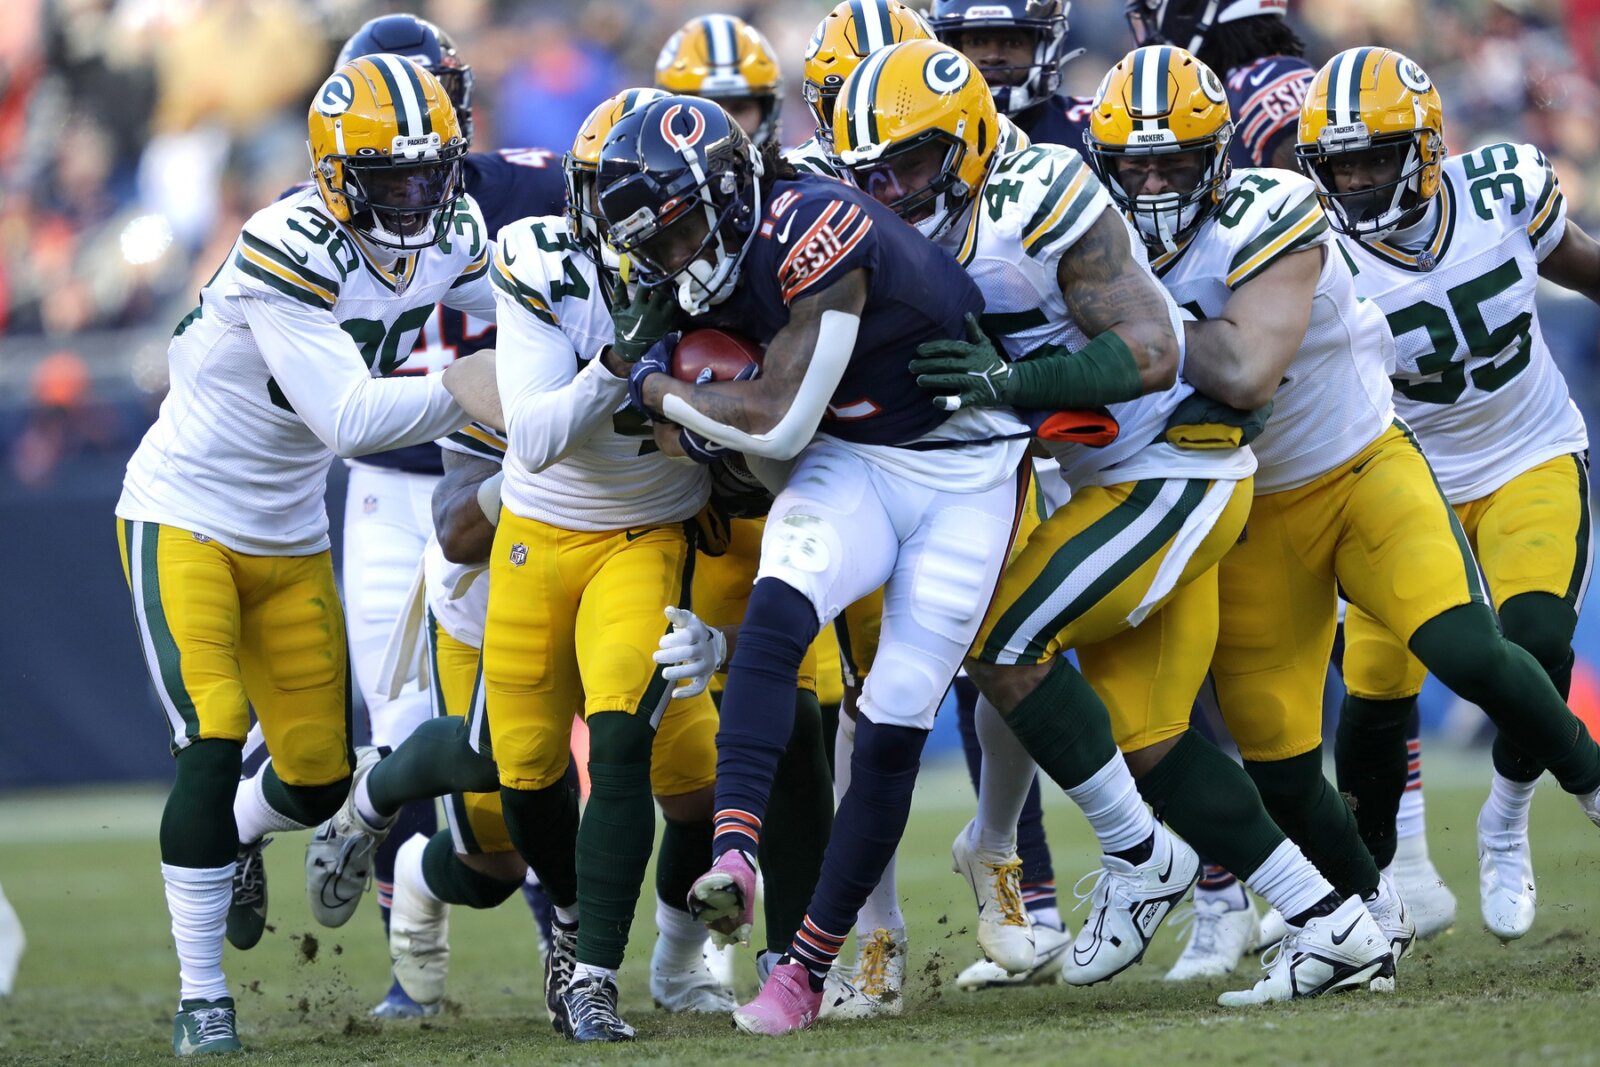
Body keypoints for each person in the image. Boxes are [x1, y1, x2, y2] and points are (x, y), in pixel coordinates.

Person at [839, 38, 1391, 1007]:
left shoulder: (1036, 192)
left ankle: (1138, 854)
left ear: (967, 145)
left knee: (998, 635)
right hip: (1104, 480)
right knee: (1153, 744)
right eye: (871, 171)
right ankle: (1336, 924)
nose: (891, 188)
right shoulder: (903, 221)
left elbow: (1148, 347)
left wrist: (1011, 383)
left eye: (912, 164)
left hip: (1173, 467)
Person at [596, 93, 1027, 1035]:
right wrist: (671, 394)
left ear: (726, 192)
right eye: (654, 247)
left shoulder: (814, 225)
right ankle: (736, 855)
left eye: (680, 235)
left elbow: (781, 418)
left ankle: (806, 966)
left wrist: (660, 386)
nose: (671, 262)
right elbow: (734, 432)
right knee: (780, 608)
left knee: (888, 726)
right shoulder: (700, 253)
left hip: (963, 468)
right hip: (857, 457)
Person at [114, 55, 491, 1055]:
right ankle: (204, 995)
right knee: (210, 733)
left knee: (320, 777)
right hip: (186, 511)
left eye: (429, 172)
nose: (416, 197)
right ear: (335, 172)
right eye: (390, 177)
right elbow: (355, 418)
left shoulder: (454, 227)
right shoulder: (293, 237)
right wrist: (476, 386)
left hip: (289, 526)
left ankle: (240, 835)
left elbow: (526, 317)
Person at [1126, 0, 1460, 947]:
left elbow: (1275, 253)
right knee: (1349, 645)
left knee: (1271, 672)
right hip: (1361, 384)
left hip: (1306, 405)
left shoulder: (1244, 105)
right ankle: (1385, 870)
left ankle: (1358, 876)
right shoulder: (1308, 85)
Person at [298, 13, 571, 1021]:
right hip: (384, 480)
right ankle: (412, 967)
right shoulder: (310, 218)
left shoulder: (537, 187)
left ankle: (561, 943)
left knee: (527, 718)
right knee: (404, 726)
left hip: (504, 479)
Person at [1297, 47, 1600, 941]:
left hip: (1528, 454)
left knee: (1537, 639)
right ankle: (1368, 892)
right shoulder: (1312, 249)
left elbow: (1580, 262)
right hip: (1403, 484)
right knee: (1374, 697)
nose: (1351, 179)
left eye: (1371, 157)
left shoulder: (1504, 186)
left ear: (1425, 148)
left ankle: (1505, 818)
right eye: (1338, 162)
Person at [654, 14, 785, 148]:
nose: (726, 129)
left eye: (740, 109)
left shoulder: (798, 166)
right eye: (702, 111)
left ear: (767, 112)